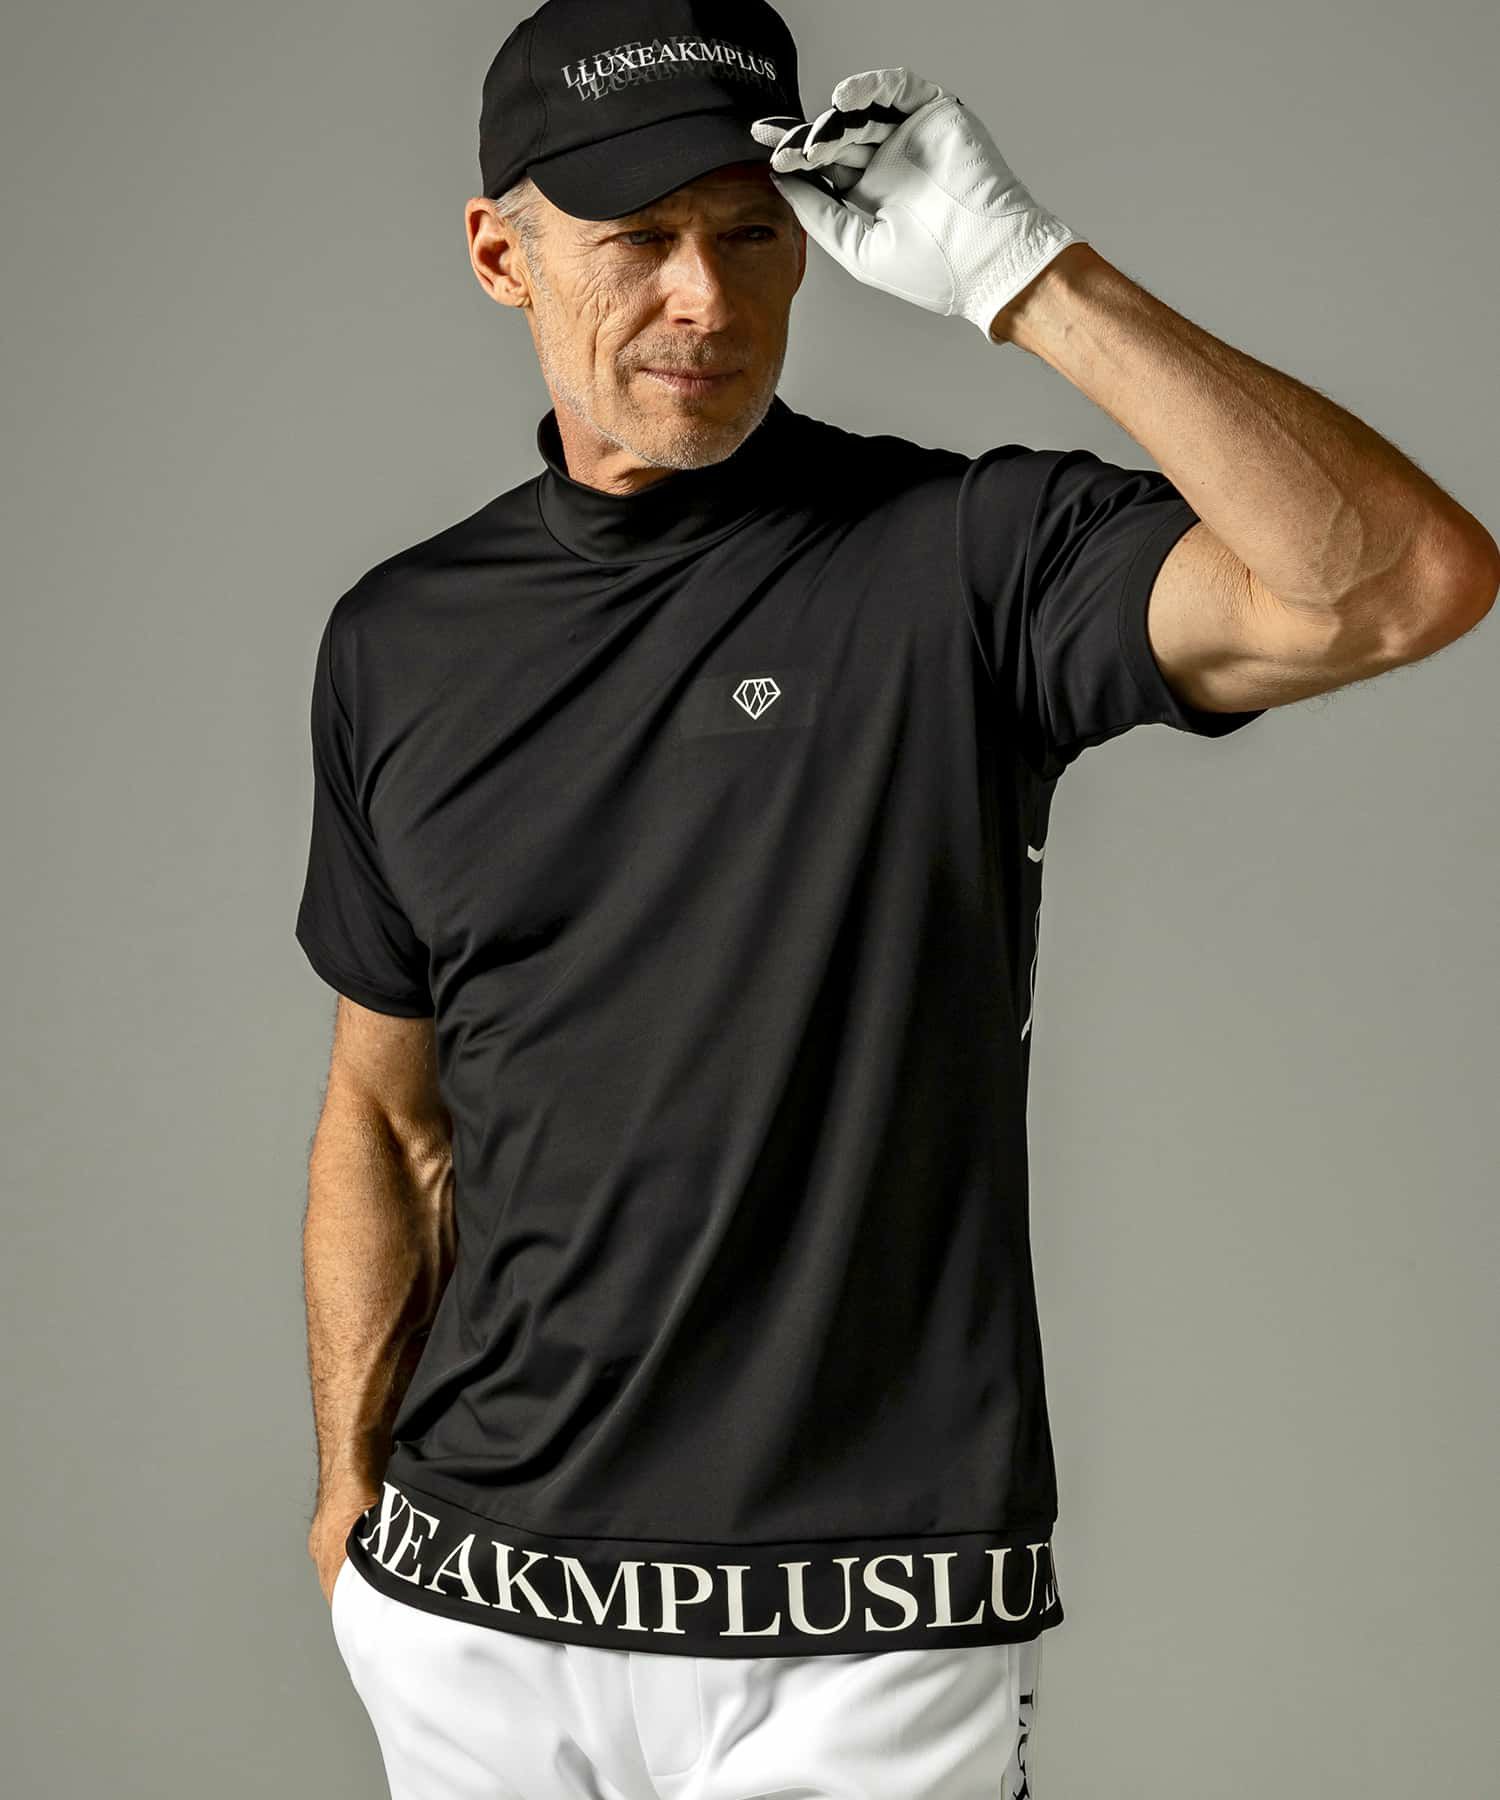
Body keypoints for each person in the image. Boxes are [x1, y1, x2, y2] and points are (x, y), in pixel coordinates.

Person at [294, 3, 1497, 1796]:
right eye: (638, 239)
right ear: (500, 253)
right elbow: (389, 1121)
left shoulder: (966, 560)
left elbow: (1395, 585)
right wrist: (348, 1505)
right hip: (476, 1606)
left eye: (748, 231)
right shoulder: (399, 641)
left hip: (867, 1620)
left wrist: (1029, 275)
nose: (704, 298)